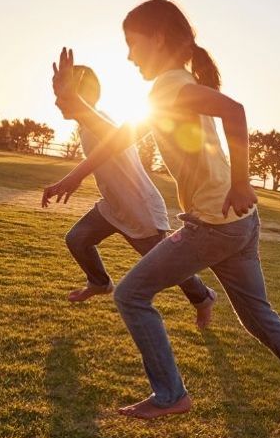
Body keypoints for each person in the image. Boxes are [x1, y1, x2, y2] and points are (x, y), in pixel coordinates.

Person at [42, 0, 280, 432]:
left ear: (158, 38)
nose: (128, 56)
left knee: (130, 295)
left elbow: (234, 110)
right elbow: (120, 136)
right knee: (259, 317)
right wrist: (74, 162)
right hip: (237, 224)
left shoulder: (168, 86)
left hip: (212, 223)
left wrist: (242, 180)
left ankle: (171, 395)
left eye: (132, 44)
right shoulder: (172, 86)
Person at [55, 65, 215, 329]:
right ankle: (99, 283)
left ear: (83, 96)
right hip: (113, 207)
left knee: (168, 267)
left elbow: (112, 137)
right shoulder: (85, 127)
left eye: (65, 94)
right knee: (77, 239)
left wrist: (73, 177)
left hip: (139, 208)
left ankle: (203, 298)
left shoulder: (99, 122)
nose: (58, 101)